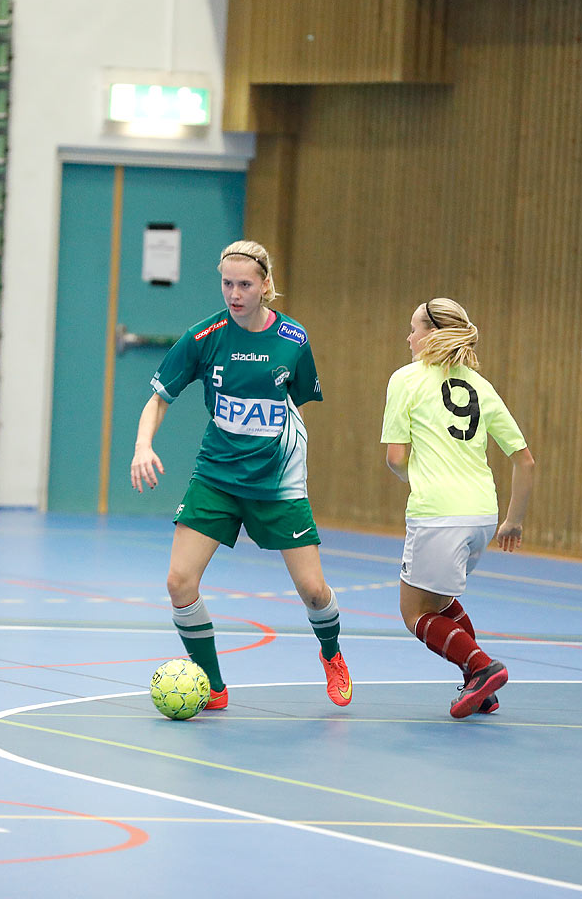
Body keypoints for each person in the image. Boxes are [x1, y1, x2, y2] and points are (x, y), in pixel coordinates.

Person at [130, 239, 351, 711]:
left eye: (245, 284)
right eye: (227, 283)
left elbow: (299, 408)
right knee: (179, 582)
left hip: (277, 482)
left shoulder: (293, 340)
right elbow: (159, 399)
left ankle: (332, 654)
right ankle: (213, 684)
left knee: (314, 591)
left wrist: (289, 463)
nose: (234, 293)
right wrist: (142, 445)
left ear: (266, 285)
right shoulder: (203, 337)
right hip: (216, 475)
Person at [380, 297, 535, 718]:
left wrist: (418, 480)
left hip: (438, 513)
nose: (408, 337)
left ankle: (482, 668)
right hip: (483, 515)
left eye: (413, 328)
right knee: (441, 600)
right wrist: (513, 521)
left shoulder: (406, 379)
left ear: (431, 334)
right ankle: (479, 684)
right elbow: (524, 459)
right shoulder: (481, 386)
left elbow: (396, 458)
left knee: (415, 613)